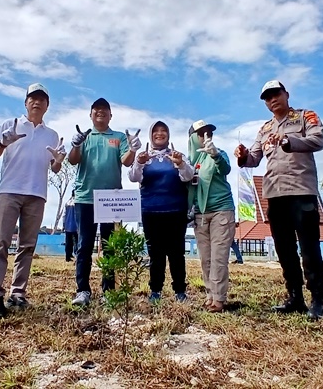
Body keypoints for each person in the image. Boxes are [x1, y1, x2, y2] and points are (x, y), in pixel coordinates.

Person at [234, 80, 323, 320]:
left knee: (309, 247)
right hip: (275, 194)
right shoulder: (265, 129)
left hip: (301, 190)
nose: (271, 100)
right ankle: (294, 297)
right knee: (284, 249)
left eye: (275, 94)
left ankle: (318, 300)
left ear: (286, 94)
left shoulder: (306, 116)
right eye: (267, 98)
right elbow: (254, 158)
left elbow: (318, 141)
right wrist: (243, 155)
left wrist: (289, 142)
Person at [0, 83, 65, 318]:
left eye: (42, 99)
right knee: (0, 242)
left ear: (47, 105)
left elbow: (56, 167)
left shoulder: (51, 135)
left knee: (27, 246)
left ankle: (18, 293)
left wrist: (59, 160)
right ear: (25, 102)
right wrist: (3, 143)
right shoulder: (10, 125)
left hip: (37, 194)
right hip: (9, 191)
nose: (37, 102)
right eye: (32, 98)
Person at [68, 97, 138, 307]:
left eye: (104, 110)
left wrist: (133, 148)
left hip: (111, 199)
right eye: (96, 110)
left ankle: (109, 291)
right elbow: (73, 160)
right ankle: (83, 291)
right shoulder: (85, 137)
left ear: (110, 115)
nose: (100, 113)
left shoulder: (118, 137)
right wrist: (76, 144)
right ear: (90, 114)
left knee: (109, 247)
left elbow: (127, 161)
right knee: (84, 245)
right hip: (86, 197)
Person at [128, 121, 194, 304]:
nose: (159, 133)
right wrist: (140, 163)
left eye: (163, 130)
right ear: (151, 135)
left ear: (168, 134)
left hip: (176, 211)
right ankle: (155, 290)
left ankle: (180, 291)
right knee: (155, 254)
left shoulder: (177, 155)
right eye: (155, 131)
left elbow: (188, 176)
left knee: (176, 253)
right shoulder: (143, 156)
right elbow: (134, 177)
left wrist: (180, 163)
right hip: (151, 211)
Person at [188, 120, 235, 313]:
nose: (206, 136)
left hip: (221, 211)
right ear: (192, 138)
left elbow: (225, 169)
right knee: (205, 258)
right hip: (200, 214)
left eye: (208, 133)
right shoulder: (190, 161)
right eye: (200, 134)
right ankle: (210, 294)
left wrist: (215, 155)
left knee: (219, 257)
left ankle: (219, 298)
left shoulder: (218, 153)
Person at [63, 191, 78, 262]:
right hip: (76, 226)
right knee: (77, 242)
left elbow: (64, 215)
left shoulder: (67, 202)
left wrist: (64, 224)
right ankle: (76, 255)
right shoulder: (77, 203)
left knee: (68, 242)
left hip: (67, 226)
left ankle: (68, 256)